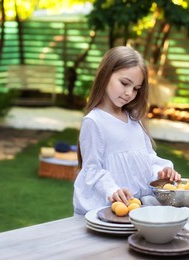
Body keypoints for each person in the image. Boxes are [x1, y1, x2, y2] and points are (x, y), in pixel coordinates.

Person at [73, 46, 181, 215]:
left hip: (137, 208)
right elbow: (91, 170)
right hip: (108, 209)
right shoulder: (94, 121)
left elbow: (146, 159)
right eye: (124, 83)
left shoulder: (134, 119)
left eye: (136, 88)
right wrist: (112, 190)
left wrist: (161, 173)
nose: (129, 93)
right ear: (106, 74)